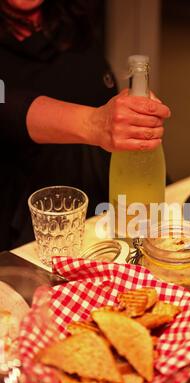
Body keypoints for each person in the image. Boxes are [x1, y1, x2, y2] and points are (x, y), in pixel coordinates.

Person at [0, 0, 170, 250]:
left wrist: (130, 115)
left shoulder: (72, 17)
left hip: (102, 216)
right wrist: (96, 123)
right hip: (34, 230)